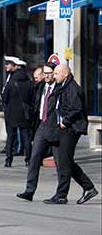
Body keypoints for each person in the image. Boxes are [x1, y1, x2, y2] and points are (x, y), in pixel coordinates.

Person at [51, 64, 98, 205]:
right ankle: (88, 188)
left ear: (65, 74)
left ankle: (61, 195)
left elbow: (76, 108)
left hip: (72, 128)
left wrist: (65, 121)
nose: (54, 76)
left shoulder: (72, 88)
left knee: (64, 161)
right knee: (66, 160)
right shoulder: (62, 86)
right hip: (65, 127)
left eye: (56, 73)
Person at [18, 63, 61, 202]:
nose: (47, 76)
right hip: (41, 126)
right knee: (34, 158)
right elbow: (34, 104)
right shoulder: (40, 87)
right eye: (45, 73)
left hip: (56, 127)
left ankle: (80, 188)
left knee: (62, 162)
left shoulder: (60, 88)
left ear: (54, 74)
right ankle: (29, 191)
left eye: (50, 73)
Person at [2, 56, 32, 167]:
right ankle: (28, 160)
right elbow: (32, 98)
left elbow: (4, 98)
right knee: (26, 137)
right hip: (25, 114)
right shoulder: (29, 82)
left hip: (11, 114)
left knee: (11, 136)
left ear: (16, 67)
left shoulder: (11, 82)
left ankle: (8, 160)